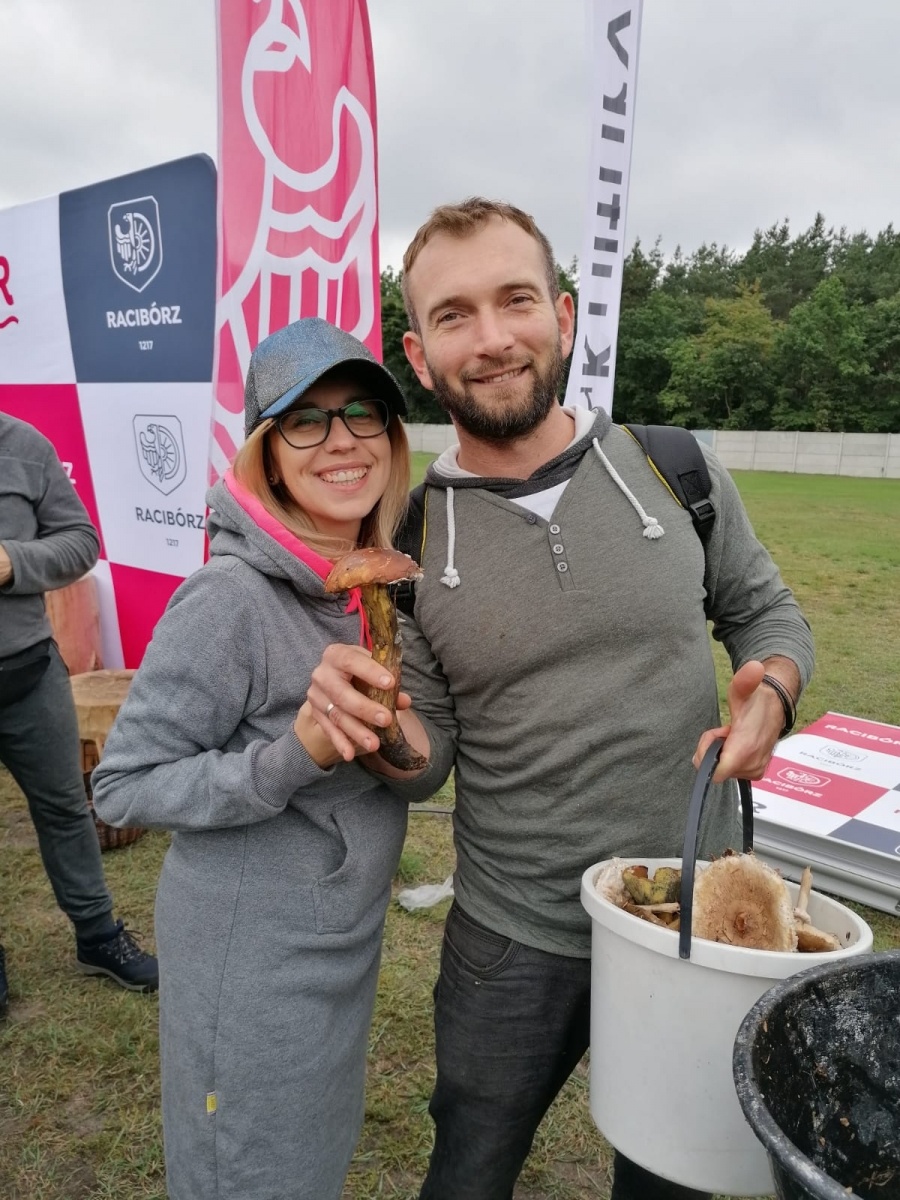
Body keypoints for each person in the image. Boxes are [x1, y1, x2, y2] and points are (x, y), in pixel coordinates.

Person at [306, 199, 815, 1200]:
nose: (491, 339)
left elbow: (769, 615)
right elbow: (428, 757)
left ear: (566, 315)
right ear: (418, 350)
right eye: (454, 315)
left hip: (692, 914)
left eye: (516, 300)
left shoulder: (674, 469)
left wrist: (775, 695)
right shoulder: (407, 540)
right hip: (513, 934)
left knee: (677, 1176)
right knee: (471, 1164)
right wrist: (370, 731)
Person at [91, 318, 440, 1200]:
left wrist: (401, 742)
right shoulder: (231, 600)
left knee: (308, 1167)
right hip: (250, 965)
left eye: (362, 413)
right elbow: (123, 784)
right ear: (266, 452)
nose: (341, 441)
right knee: (247, 1174)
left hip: (343, 942)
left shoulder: (384, 582)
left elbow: (419, 767)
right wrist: (292, 755)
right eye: (305, 420)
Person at [0, 413, 158, 1019]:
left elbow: (79, 543)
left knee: (67, 809)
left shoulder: (25, 445)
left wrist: (12, 562)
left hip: (28, 673)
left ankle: (97, 937)